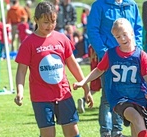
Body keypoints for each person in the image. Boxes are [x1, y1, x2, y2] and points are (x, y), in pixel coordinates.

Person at [13, 1, 94, 137]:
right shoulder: (29, 43)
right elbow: (21, 71)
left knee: (72, 132)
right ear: (36, 20)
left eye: (53, 21)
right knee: (48, 134)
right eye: (45, 22)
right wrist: (20, 92)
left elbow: (73, 65)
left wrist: (85, 87)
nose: (50, 26)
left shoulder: (62, 38)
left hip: (64, 94)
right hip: (41, 98)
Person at [74, 18, 147, 137]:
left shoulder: (141, 55)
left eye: (124, 35)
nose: (122, 39)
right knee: (136, 118)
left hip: (139, 98)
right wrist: (83, 81)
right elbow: (99, 70)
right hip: (120, 98)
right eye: (118, 37)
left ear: (132, 32)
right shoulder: (111, 54)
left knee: (137, 128)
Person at [86, 0, 143, 136]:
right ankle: (106, 132)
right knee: (107, 97)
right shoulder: (99, 5)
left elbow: (138, 29)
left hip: (130, 58)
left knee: (122, 95)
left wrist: (137, 50)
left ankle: (117, 131)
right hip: (109, 57)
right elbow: (93, 31)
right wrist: (104, 52)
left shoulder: (132, 5)